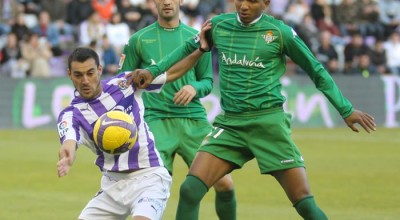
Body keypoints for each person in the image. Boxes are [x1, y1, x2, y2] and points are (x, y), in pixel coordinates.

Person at [129, 0, 377, 219]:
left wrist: (345, 109)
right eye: (239, 0)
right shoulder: (218, 25)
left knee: (304, 204)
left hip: (268, 124)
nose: (244, 6)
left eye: (253, 1)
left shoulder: (280, 33)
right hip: (231, 125)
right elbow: (186, 49)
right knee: (190, 189)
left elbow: (317, 71)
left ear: (266, 3)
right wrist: (153, 71)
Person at [119, 0, 237, 219]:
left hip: (193, 122)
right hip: (155, 123)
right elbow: (122, 85)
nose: (166, 2)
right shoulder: (138, 40)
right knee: (150, 193)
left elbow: (207, 81)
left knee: (225, 184)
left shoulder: (196, 37)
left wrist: (194, 87)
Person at [56, 46, 200, 220]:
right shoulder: (70, 114)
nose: (85, 80)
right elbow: (69, 141)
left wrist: (200, 50)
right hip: (111, 187)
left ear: (100, 70)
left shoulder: (126, 82)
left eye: (90, 73)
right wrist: (68, 155)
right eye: (78, 75)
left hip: (149, 177)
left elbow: (171, 73)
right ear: (69, 74)